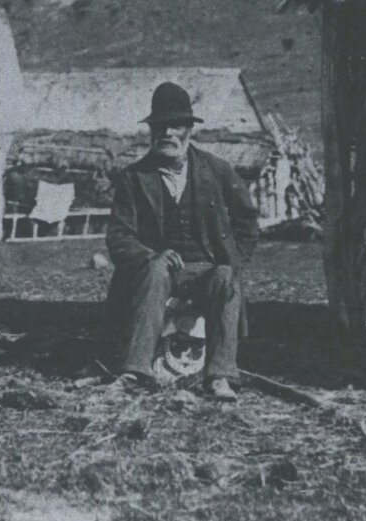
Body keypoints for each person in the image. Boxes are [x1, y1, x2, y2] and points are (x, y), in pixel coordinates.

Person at [103, 82, 259, 403]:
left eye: (176, 126)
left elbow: (247, 220)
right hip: (157, 272)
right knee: (156, 269)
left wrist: (234, 259)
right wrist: (150, 255)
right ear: (151, 132)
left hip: (205, 269)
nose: (168, 134)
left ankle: (220, 376)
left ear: (190, 130)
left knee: (226, 277)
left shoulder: (217, 171)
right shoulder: (134, 178)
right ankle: (135, 372)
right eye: (161, 127)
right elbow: (119, 236)